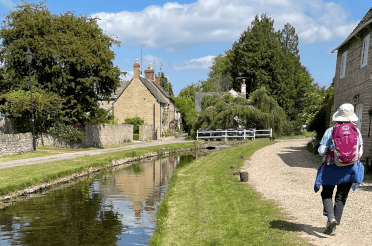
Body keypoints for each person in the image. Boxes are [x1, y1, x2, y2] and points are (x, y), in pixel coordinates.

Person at [314, 103, 364, 235]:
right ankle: (334, 226)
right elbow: (360, 152)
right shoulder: (356, 131)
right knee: (341, 197)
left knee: (326, 193)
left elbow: (321, 151)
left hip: (331, 166)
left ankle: (331, 218)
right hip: (349, 169)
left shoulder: (330, 131)